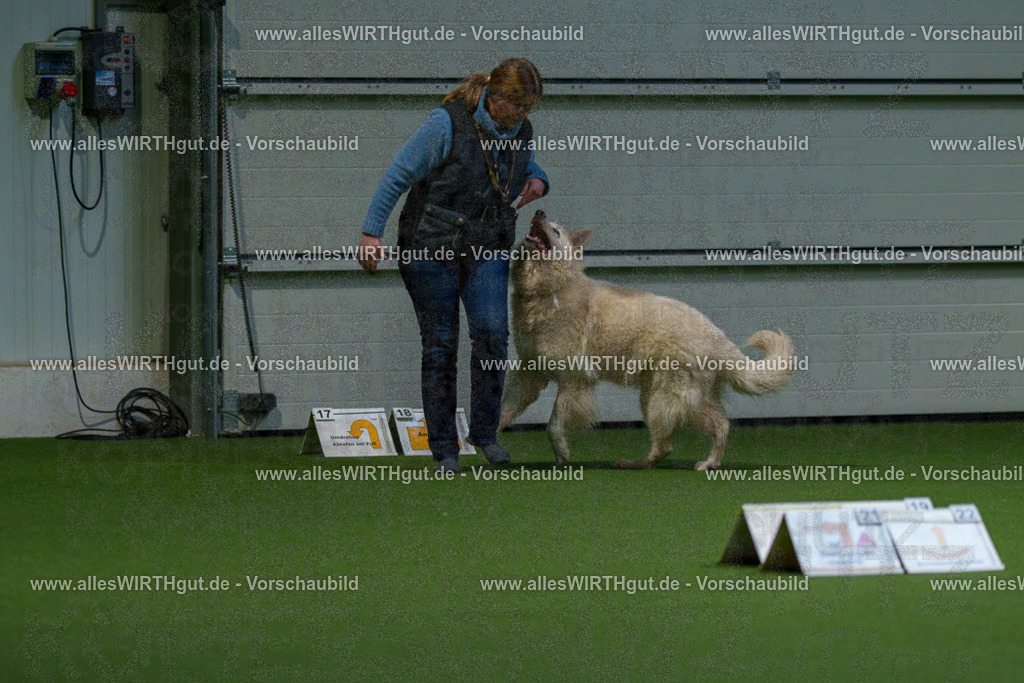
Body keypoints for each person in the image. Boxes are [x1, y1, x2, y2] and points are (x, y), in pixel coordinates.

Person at [358, 58, 548, 472]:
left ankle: (485, 433)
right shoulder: (445, 123)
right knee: (441, 345)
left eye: (529, 108)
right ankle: (444, 448)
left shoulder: (520, 128)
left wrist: (538, 176)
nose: (523, 116)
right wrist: (371, 233)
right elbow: (397, 176)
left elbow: (517, 161)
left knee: (493, 334)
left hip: (488, 243)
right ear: (494, 97)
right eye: (517, 106)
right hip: (430, 245)